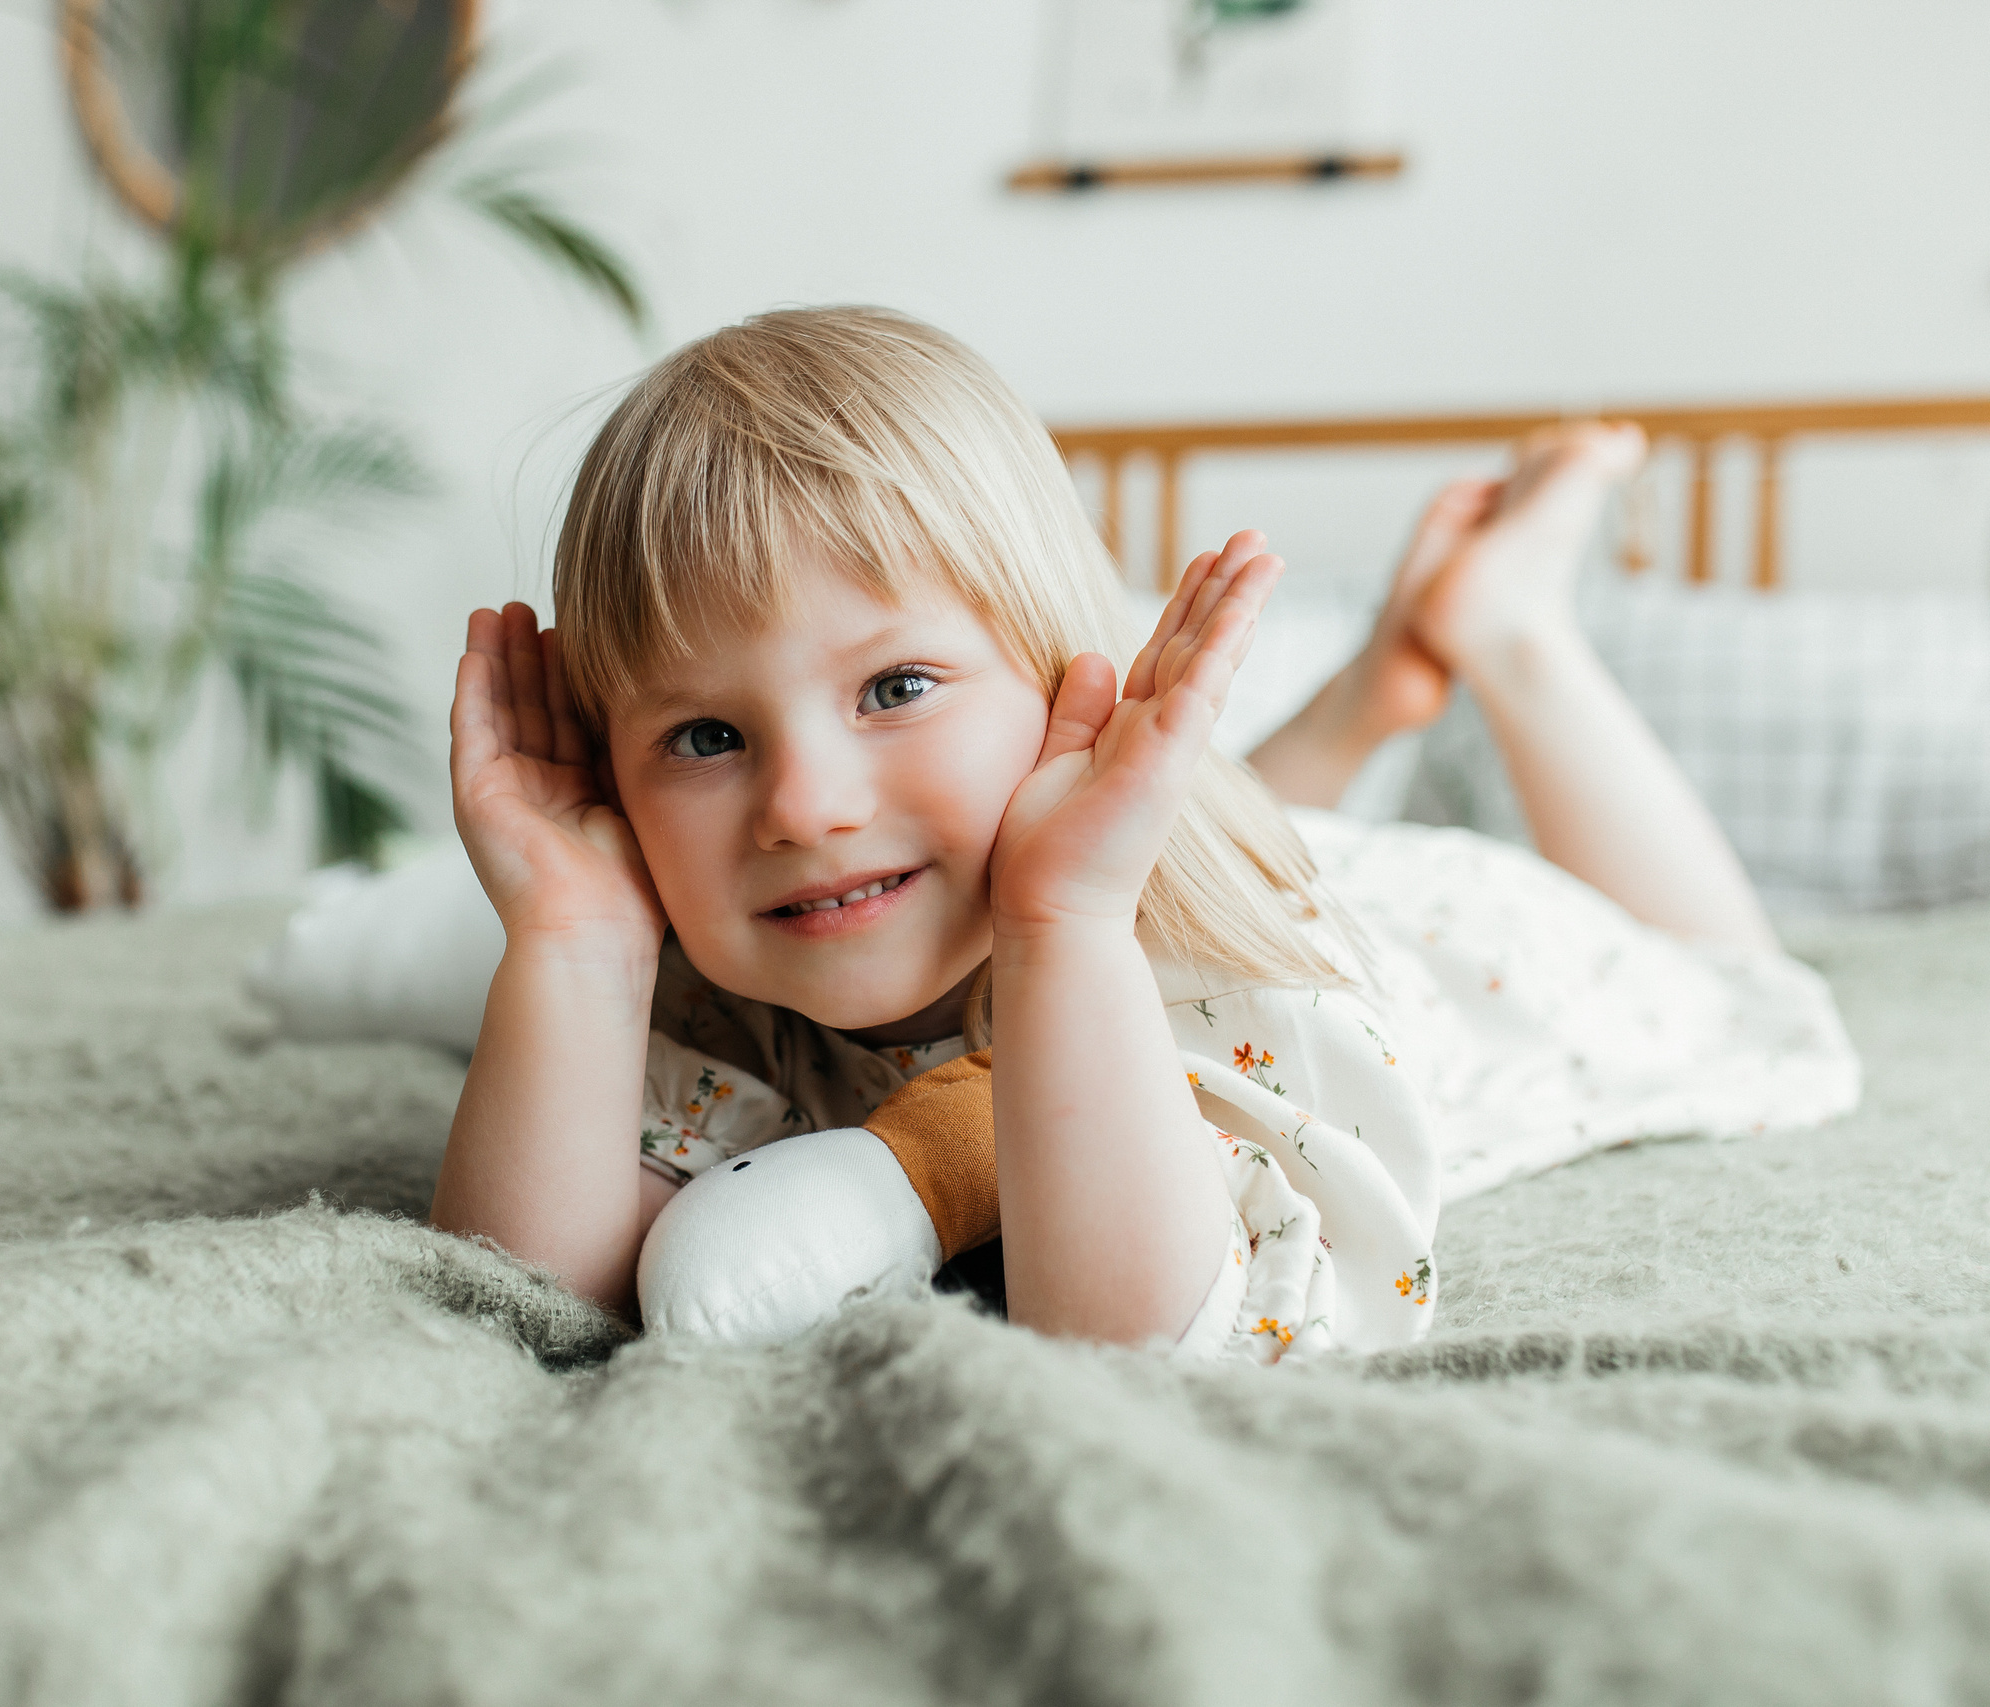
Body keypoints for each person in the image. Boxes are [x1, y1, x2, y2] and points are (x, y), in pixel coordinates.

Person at [428, 306, 1855, 1360]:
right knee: (1189, 804)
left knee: (1750, 993)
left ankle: (1509, 629)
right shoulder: (726, 962)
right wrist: (571, 944)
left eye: (897, 688)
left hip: (1415, 930)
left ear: (1062, 679)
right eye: (705, 738)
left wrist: (1065, 927)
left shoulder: (1234, 985)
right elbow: (531, 1290)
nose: (805, 807)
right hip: (1159, 839)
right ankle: (1358, 705)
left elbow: (1161, 1346)